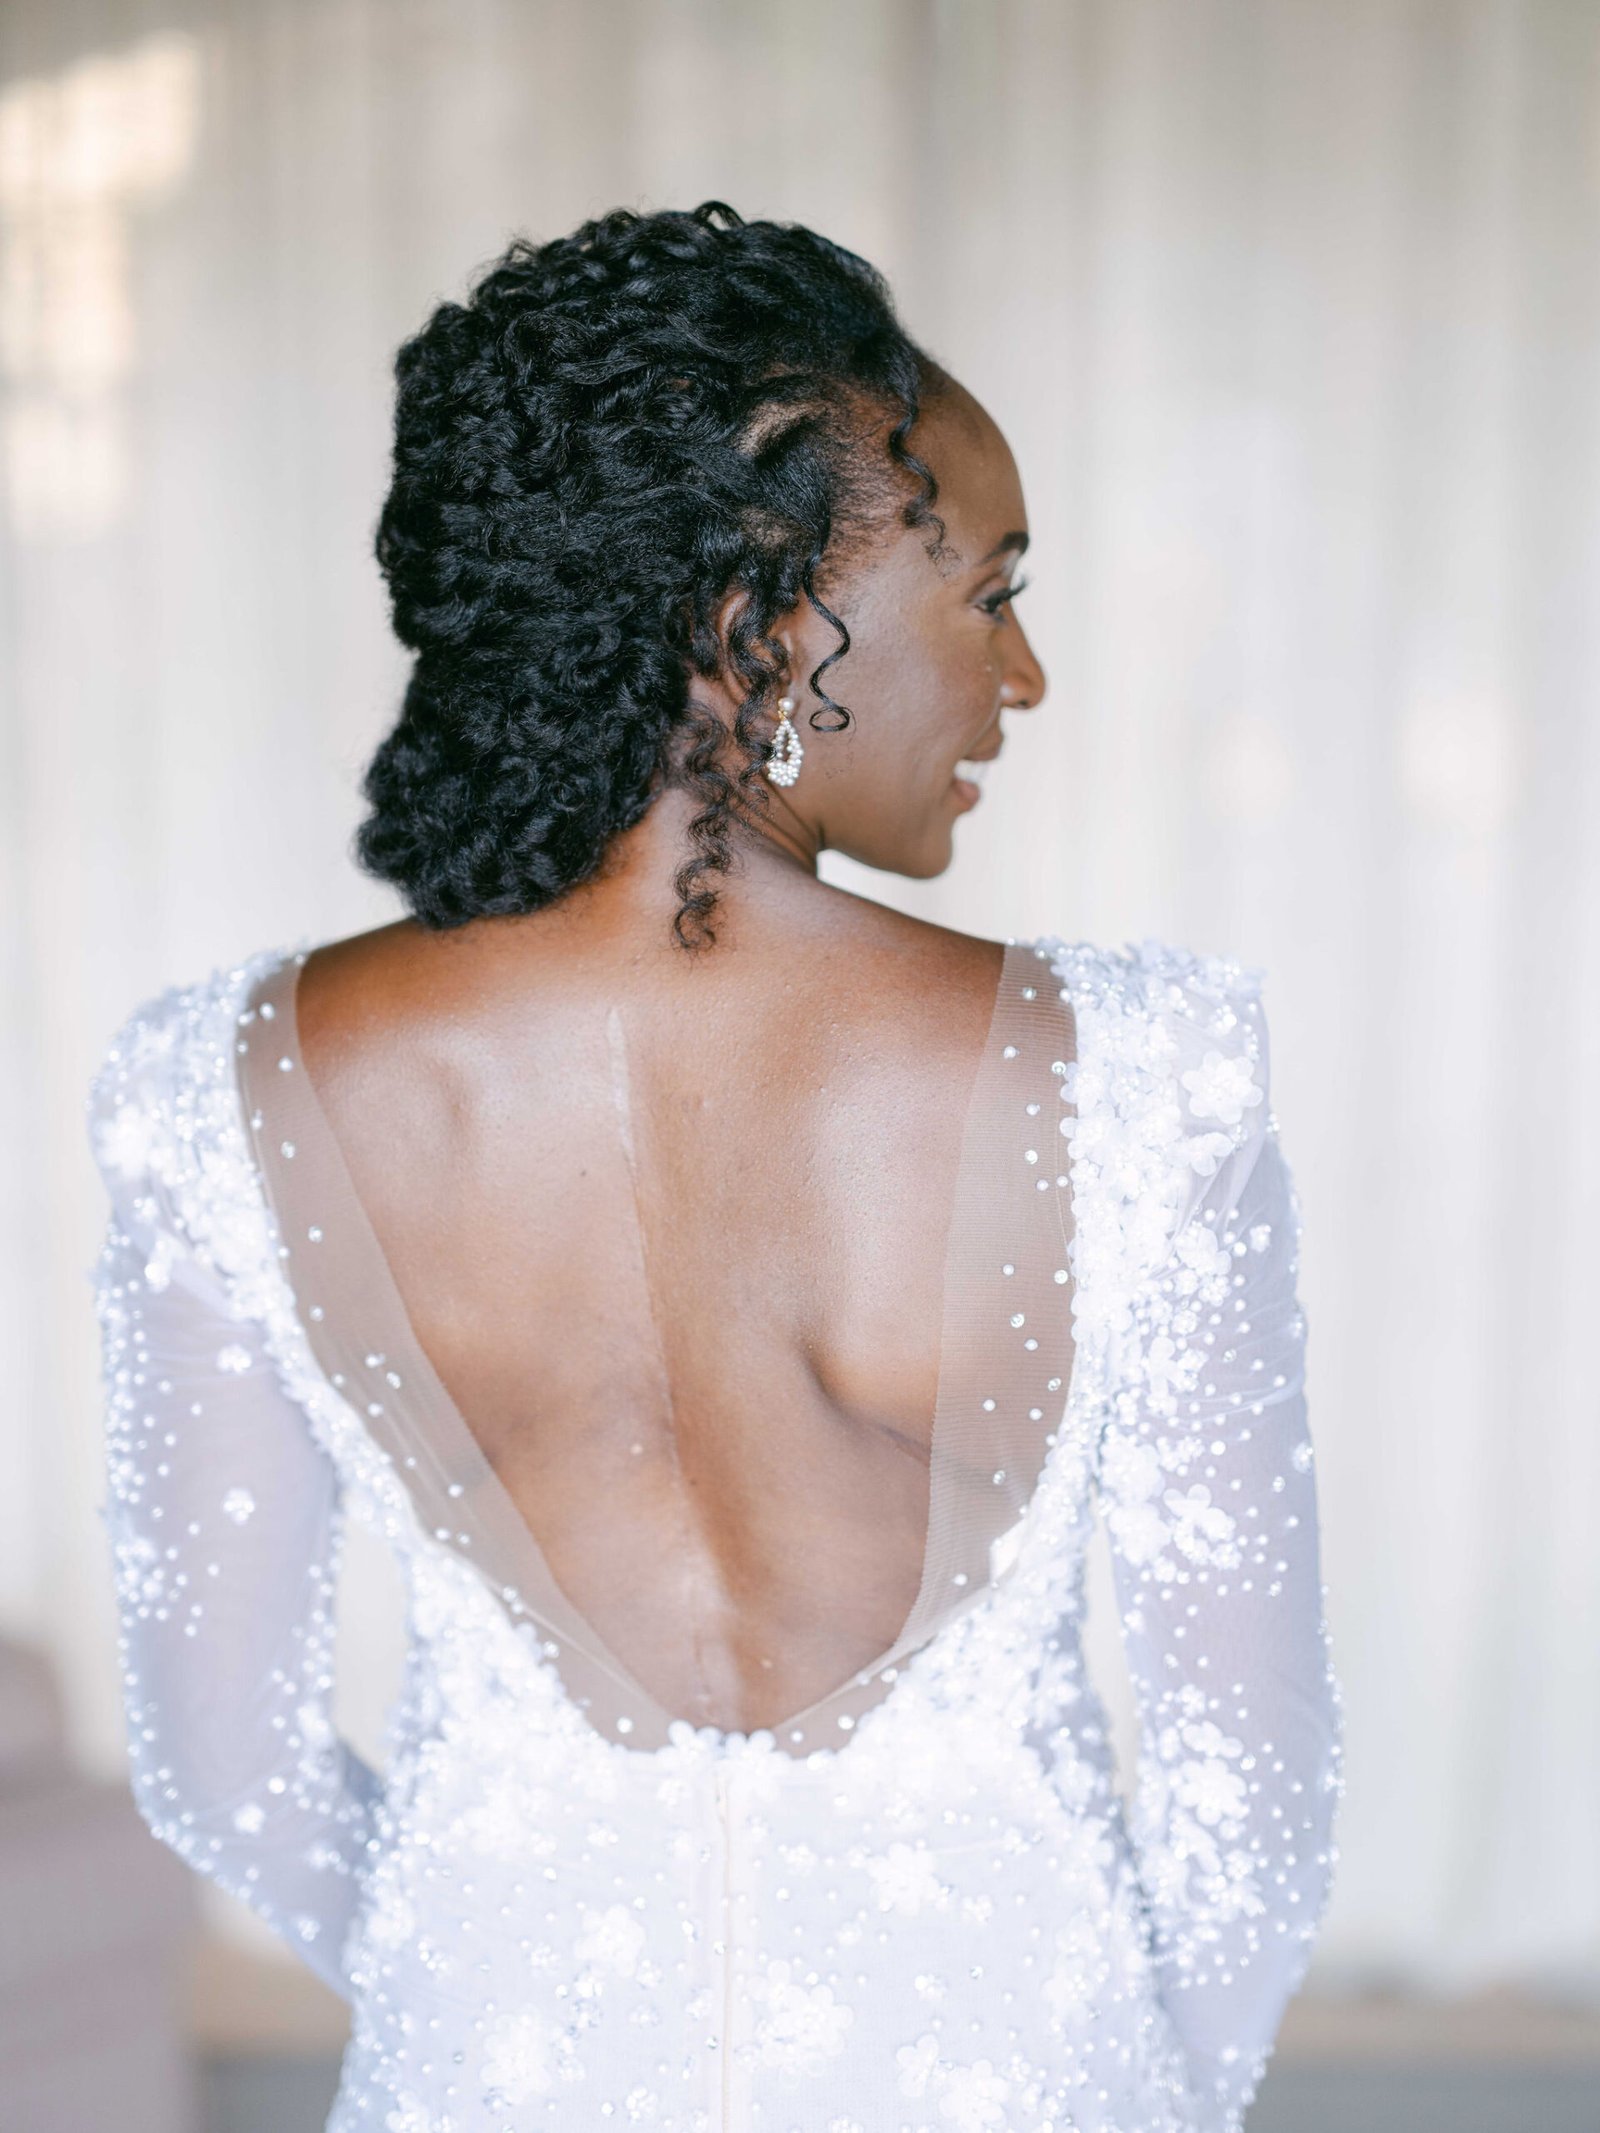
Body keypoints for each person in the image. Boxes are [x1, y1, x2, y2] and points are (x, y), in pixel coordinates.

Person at [84, 202, 1342, 2133]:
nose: (1024, 678)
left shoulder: (218, 1093)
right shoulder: (1141, 1079)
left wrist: (477, 1983)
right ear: (764, 626)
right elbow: (1246, 1800)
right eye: (989, 594)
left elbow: (225, 1766)